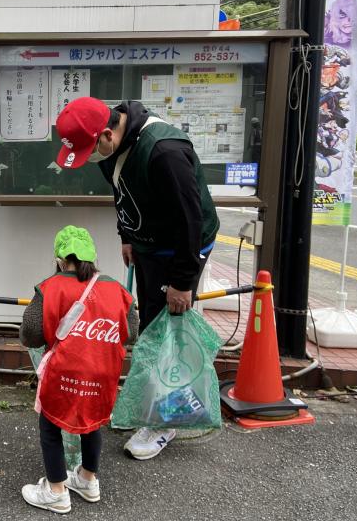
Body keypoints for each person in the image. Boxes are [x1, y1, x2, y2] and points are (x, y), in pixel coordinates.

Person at [55, 97, 219, 460]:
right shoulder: (111, 145)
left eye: (89, 150)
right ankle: (149, 404)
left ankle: (167, 419)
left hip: (180, 249)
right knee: (149, 325)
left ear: (108, 134)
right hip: (148, 244)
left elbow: (190, 220)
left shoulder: (165, 152)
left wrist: (182, 281)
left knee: (166, 331)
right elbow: (122, 191)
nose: (91, 160)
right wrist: (127, 236)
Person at [19, 225, 137, 514]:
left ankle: (56, 490)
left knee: (50, 427)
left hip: (63, 373)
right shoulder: (116, 290)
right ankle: (87, 479)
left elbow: (30, 334)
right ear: (92, 258)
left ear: (60, 259)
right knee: (93, 423)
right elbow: (131, 333)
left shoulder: (50, 288)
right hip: (102, 375)